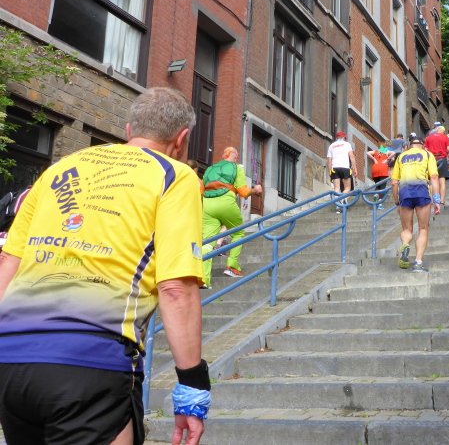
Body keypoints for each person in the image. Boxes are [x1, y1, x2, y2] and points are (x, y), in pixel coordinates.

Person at [0, 87, 208, 445]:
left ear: (129, 130)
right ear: (181, 139)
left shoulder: (58, 169)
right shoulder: (175, 175)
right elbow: (175, 288)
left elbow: (7, 262)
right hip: (92, 362)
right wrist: (193, 386)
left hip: (11, 360)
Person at [201, 147, 262, 285]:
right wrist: (255, 190)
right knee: (238, 233)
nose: (237, 157)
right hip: (226, 203)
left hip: (207, 205)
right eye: (237, 155)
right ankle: (231, 266)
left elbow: (201, 190)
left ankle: (203, 279)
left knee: (208, 241)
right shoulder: (236, 168)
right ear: (234, 155)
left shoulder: (209, 169)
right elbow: (243, 192)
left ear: (224, 155)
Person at [390, 136, 441, 272]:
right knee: (423, 228)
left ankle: (405, 244)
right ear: (423, 145)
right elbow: (434, 177)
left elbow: (394, 182)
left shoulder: (401, 157)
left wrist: (397, 202)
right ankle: (418, 263)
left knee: (407, 229)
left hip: (405, 193)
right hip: (422, 191)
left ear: (409, 146)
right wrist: (436, 200)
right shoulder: (427, 155)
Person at [327, 131, 358, 214]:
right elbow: (352, 157)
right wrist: (354, 169)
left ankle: (338, 206)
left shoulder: (331, 146)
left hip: (334, 168)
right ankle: (342, 199)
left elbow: (329, 161)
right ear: (344, 137)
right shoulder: (347, 144)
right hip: (345, 167)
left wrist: (330, 174)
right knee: (347, 188)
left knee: (336, 189)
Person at [424, 125, 449, 207]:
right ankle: (442, 200)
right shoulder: (445, 137)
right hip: (442, 158)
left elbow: (425, 150)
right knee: (442, 179)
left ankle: (431, 199)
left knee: (431, 179)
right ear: (442, 131)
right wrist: (447, 153)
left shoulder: (429, 138)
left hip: (431, 159)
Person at [366, 144, 393, 209]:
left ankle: (376, 195)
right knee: (382, 187)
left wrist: (374, 159)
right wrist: (387, 159)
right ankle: (380, 204)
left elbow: (367, 153)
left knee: (378, 186)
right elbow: (394, 153)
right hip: (383, 169)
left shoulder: (375, 151)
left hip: (375, 168)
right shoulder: (386, 151)